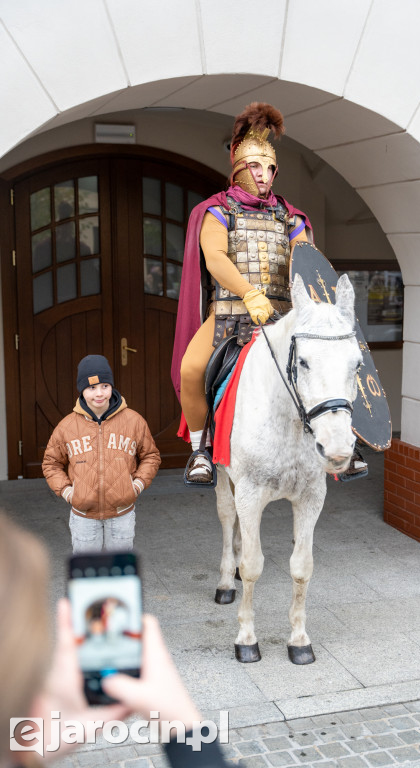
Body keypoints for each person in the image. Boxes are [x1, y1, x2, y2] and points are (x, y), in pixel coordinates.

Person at [0, 512, 229, 768]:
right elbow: (51, 468)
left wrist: (136, 486)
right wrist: (184, 725)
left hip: (120, 509)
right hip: (84, 511)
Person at [171, 103, 312, 484]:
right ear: (238, 167)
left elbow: (306, 259)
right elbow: (215, 258)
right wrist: (250, 293)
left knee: (332, 362)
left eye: (269, 168)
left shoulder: (291, 217)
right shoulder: (217, 211)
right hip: (230, 314)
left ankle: (343, 443)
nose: (264, 176)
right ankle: (201, 451)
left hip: (284, 316)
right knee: (191, 370)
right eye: (256, 167)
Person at [42, 354, 161, 553]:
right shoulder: (67, 426)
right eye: (91, 388)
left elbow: (151, 456)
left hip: (122, 514)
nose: (99, 393)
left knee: (120, 573)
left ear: (112, 387)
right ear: (82, 390)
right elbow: (51, 464)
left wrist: (137, 485)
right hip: (83, 516)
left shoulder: (133, 421)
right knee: (87, 576)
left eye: (105, 386)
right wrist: (68, 492)